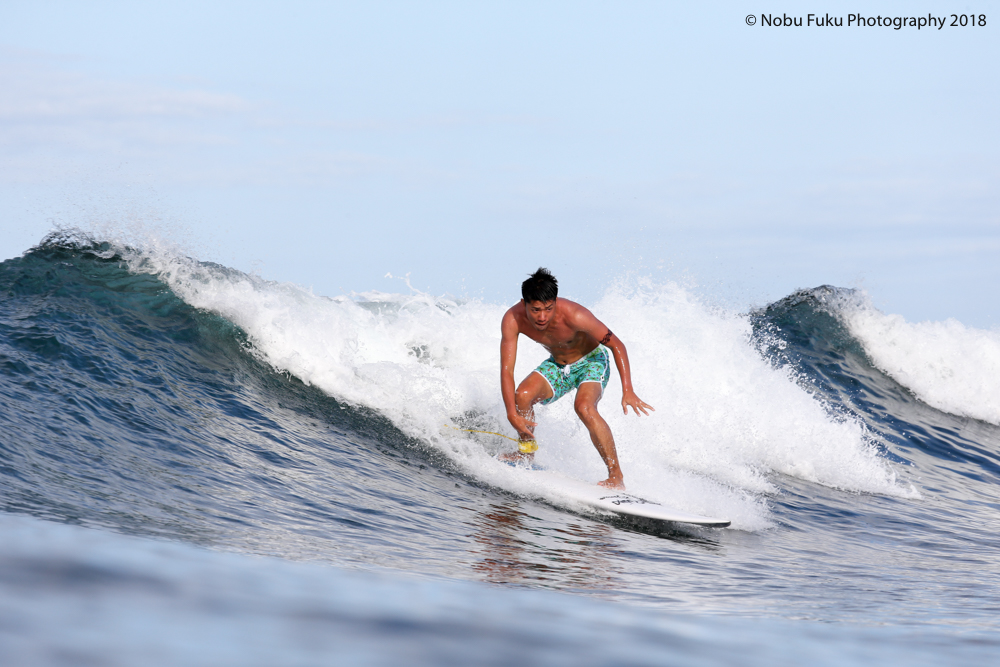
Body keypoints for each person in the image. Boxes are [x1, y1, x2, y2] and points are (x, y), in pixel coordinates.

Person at [499, 268, 653, 489]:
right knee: (522, 396)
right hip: (559, 364)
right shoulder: (512, 319)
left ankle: (616, 476)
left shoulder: (575, 315)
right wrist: (511, 413)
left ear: (556, 302)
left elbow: (617, 345)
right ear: (524, 303)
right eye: (535, 310)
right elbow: (506, 371)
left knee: (584, 407)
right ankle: (526, 453)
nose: (542, 317)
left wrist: (627, 389)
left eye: (548, 309)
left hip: (592, 361)